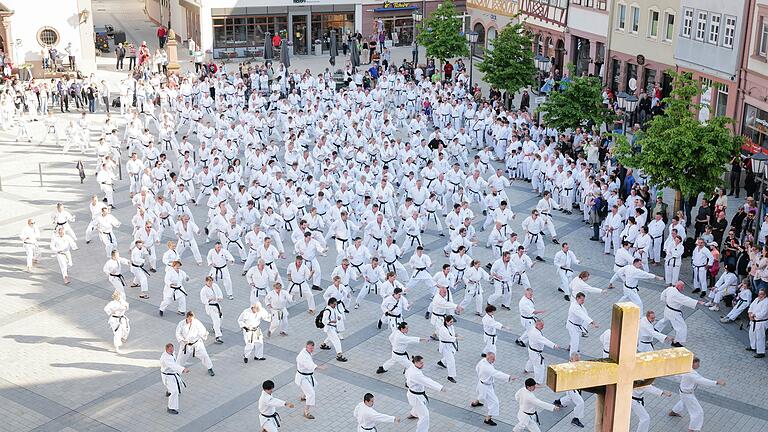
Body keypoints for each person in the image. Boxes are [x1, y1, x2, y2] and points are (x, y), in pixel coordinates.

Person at [668, 357, 725, 432]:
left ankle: (673, 412)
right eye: (697, 364)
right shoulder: (691, 374)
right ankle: (692, 429)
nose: (699, 365)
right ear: (692, 364)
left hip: (683, 391)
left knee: (683, 402)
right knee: (698, 412)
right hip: (687, 394)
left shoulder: (685, 369)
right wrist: (716, 382)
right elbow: (702, 381)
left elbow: (677, 375)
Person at [470, 352, 515, 426]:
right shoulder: (487, 368)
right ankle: (488, 419)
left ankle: (475, 403)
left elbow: (477, 368)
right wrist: (509, 377)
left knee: (481, 394)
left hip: (482, 383)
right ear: (488, 358)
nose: (495, 360)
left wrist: (482, 376)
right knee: (495, 402)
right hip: (486, 387)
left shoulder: (483, 361)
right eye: (493, 359)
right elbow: (497, 373)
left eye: (494, 358)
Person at [654, 281, 703, 347]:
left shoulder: (670, 289)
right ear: (679, 286)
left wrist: (666, 301)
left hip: (667, 309)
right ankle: (676, 341)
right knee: (681, 327)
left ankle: (656, 328)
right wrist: (698, 302)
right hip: (674, 313)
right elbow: (686, 299)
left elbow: (663, 295)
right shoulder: (676, 294)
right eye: (682, 287)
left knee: (665, 320)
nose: (683, 289)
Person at [404, 355, 445, 432]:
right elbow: (427, 381)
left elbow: (406, 375)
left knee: (419, 407)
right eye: (421, 363)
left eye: (423, 362)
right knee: (425, 416)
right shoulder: (415, 374)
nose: (423, 364)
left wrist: (408, 382)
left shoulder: (411, 367)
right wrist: (440, 387)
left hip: (415, 394)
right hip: (415, 396)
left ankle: (414, 414)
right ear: (415, 362)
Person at [175, 311, 215, 376]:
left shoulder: (196, 322)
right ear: (187, 317)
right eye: (190, 319)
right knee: (180, 359)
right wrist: (182, 340)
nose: (191, 321)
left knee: (204, 355)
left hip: (197, 344)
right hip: (186, 345)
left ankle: (210, 368)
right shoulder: (181, 324)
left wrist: (204, 334)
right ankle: (177, 370)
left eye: (192, 319)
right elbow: (178, 333)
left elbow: (202, 331)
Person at [553, 354, 586, 428]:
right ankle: (576, 419)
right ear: (571, 359)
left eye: (579, 360)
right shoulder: (569, 368)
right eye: (577, 360)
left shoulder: (573, 365)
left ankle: (559, 402)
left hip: (571, 387)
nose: (578, 361)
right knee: (580, 403)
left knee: (570, 398)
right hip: (571, 388)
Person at [295, 340, 326, 419]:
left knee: (314, 385)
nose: (311, 350)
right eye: (310, 348)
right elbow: (310, 365)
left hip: (307, 376)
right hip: (302, 378)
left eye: (312, 348)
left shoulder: (307, 352)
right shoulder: (302, 356)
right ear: (306, 347)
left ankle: (303, 396)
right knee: (311, 394)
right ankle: (306, 411)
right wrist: (320, 367)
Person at [524, 319, 561, 384]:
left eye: (543, 325)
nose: (543, 327)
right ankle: (538, 382)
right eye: (541, 326)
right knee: (539, 367)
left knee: (531, 360)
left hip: (531, 349)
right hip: (535, 352)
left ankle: (527, 369)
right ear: (537, 325)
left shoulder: (532, 328)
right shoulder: (536, 334)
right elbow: (545, 340)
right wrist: (554, 345)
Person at [160, 342, 189, 414]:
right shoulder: (166, 358)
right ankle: (171, 407)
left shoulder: (171, 353)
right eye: (170, 350)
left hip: (172, 374)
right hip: (168, 376)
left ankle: (168, 391)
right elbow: (173, 366)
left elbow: (175, 363)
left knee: (176, 384)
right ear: (166, 349)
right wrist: (183, 369)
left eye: (172, 350)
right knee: (174, 391)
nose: (172, 351)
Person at [319, 297, 348, 362]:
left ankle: (323, 345)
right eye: (334, 304)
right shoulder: (327, 310)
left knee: (330, 337)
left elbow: (337, 314)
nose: (335, 306)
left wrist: (339, 317)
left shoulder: (332, 308)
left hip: (333, 327)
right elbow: (324, 321)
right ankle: (339, 355)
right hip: (330, 328)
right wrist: (332, 321)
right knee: (336, 340)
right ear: (330, 304)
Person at [200, 276, 224, 344]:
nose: (210, 282)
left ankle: (215, 328)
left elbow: (220, 293)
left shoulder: (215, 286)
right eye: (209, 281)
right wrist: (210, 299)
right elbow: (203, 300)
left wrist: (220, 298)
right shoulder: (203, 290)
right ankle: (218, 337)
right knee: (216, 320)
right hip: (210, 307)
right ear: (206, 281)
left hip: (217, 305)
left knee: (221, 318)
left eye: (211, 281)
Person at [746, 288, 768, 358]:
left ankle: (761, 352)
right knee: (751, 334)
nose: (760, 295)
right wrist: (750, 314)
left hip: (761, 322)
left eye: (761, 294)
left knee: (760, 337)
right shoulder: (756, 299)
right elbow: (751, 307)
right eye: (759, 293)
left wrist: (753, 315)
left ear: (765, 295)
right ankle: (753, 347)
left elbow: (763, 314)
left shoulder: (766, 302)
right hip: (753, 320)